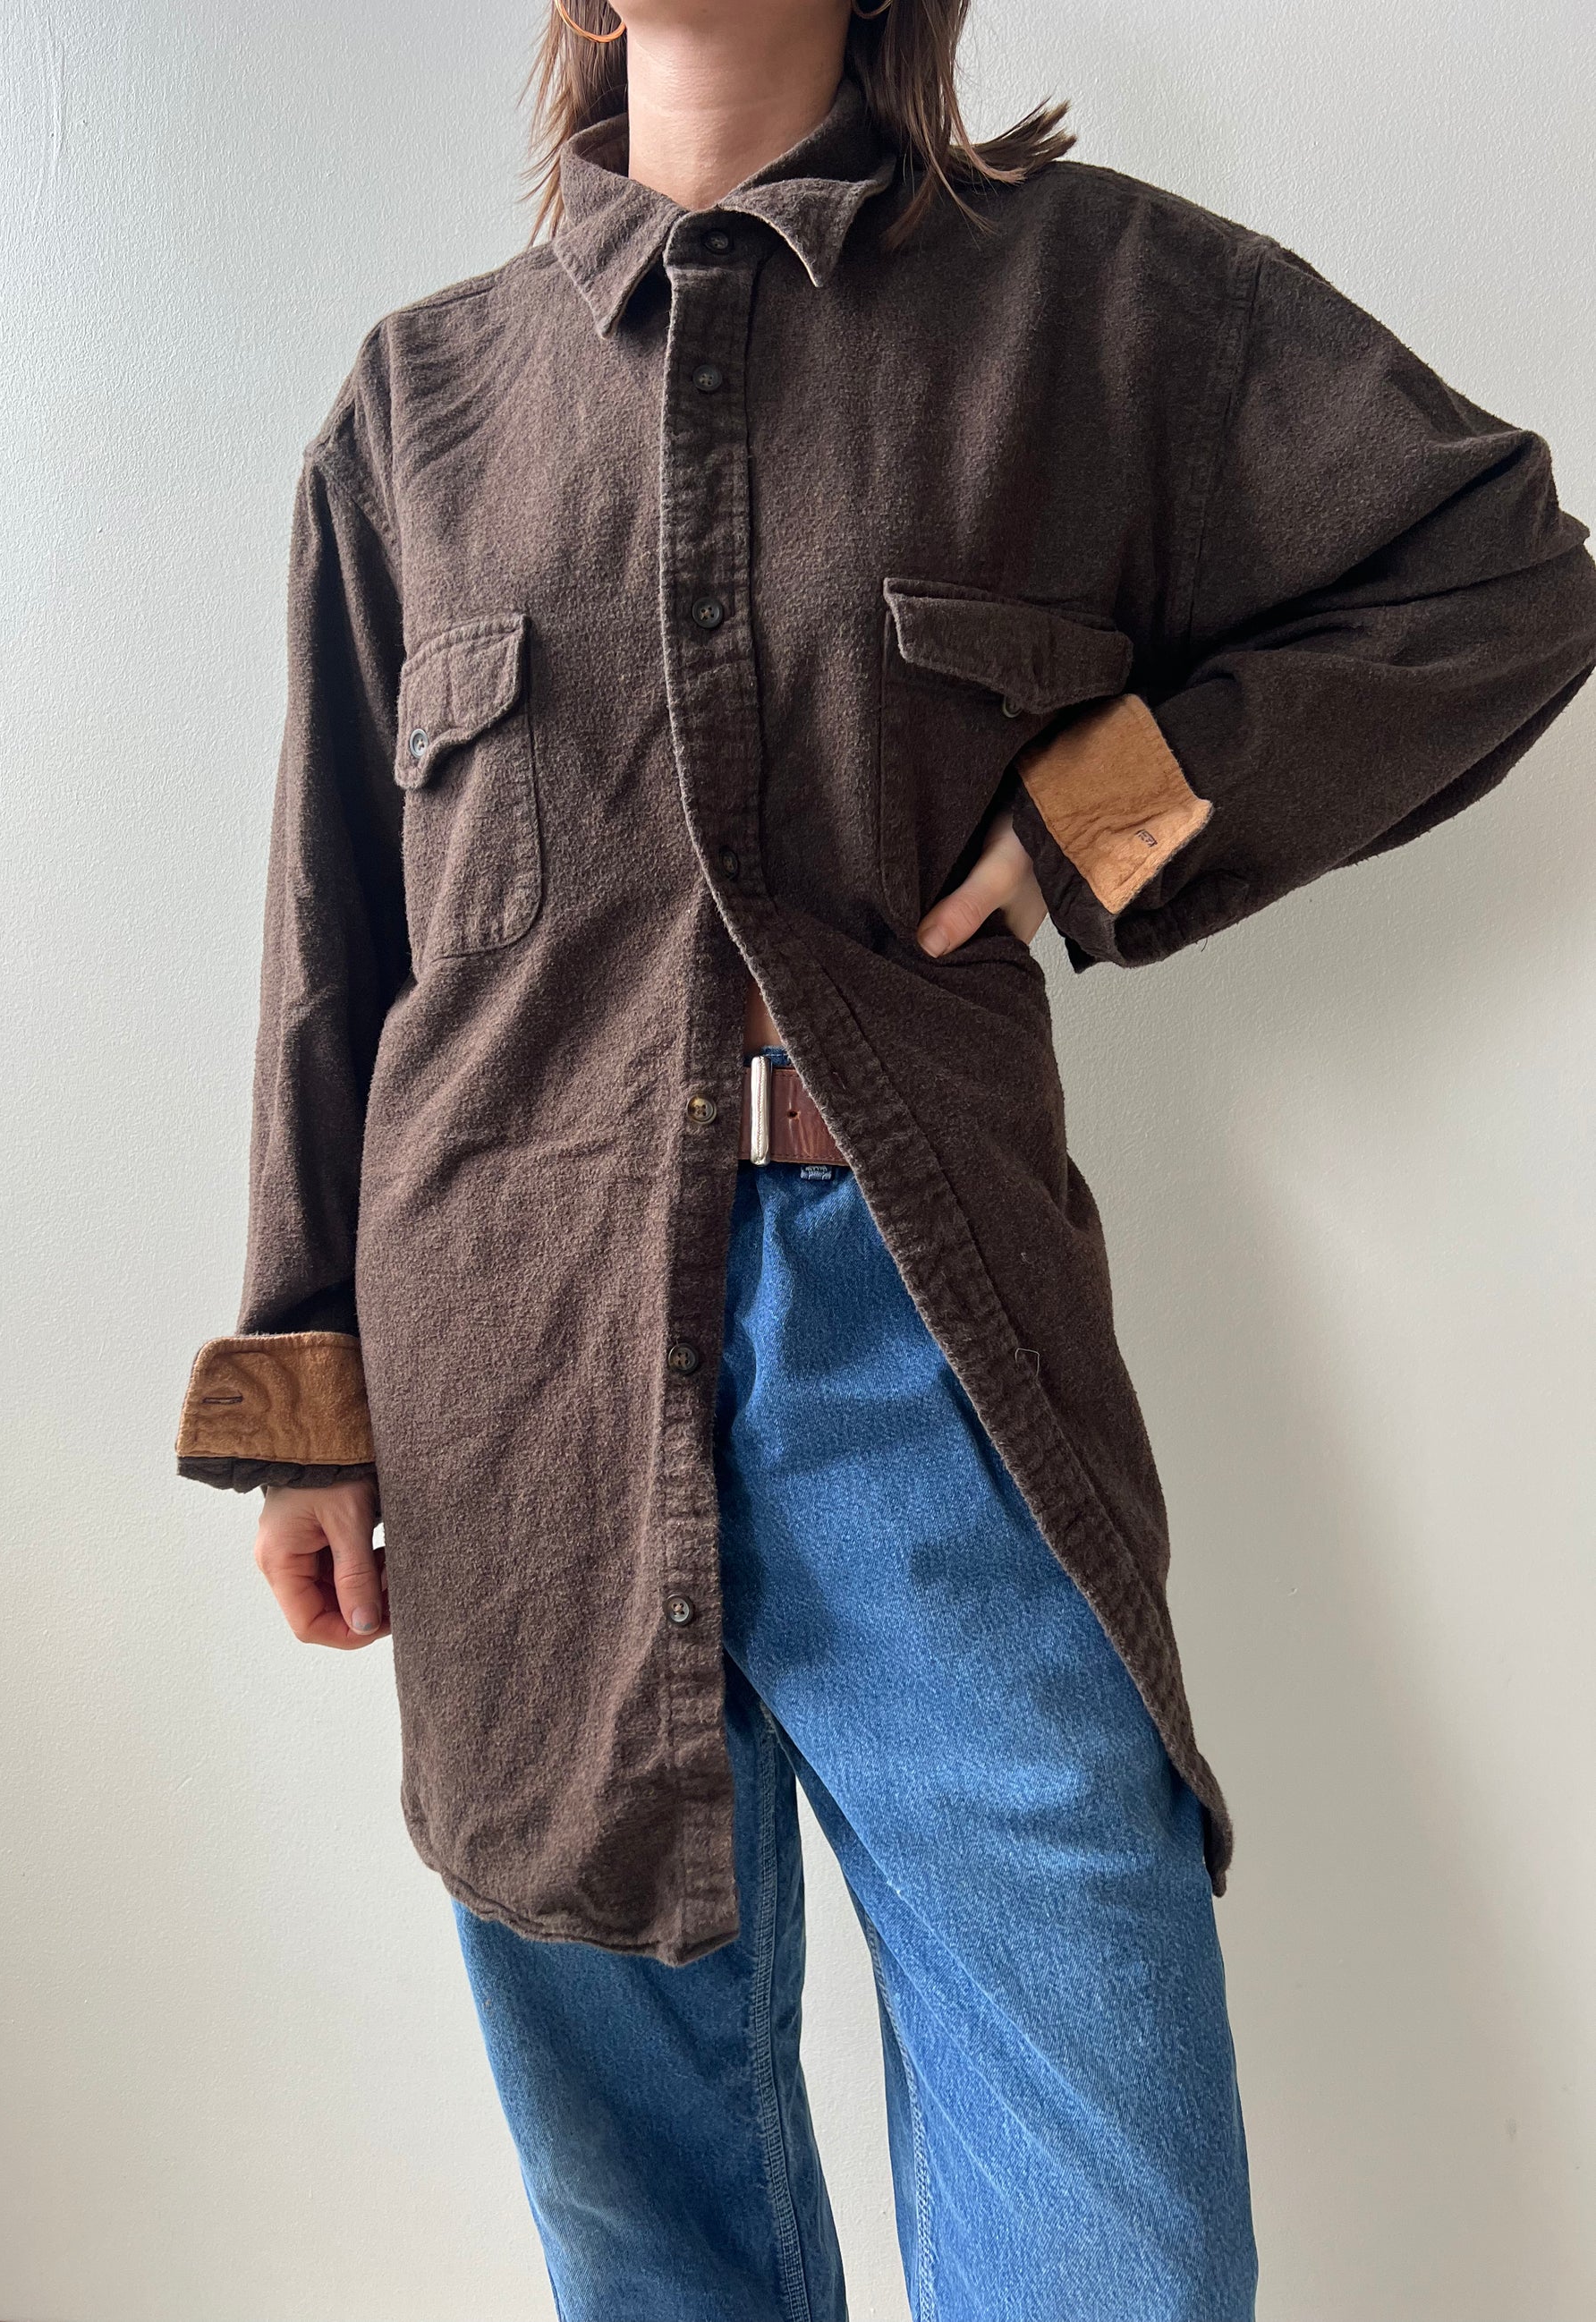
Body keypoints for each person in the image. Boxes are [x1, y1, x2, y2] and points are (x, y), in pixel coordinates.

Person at [174, 2, 1596, 2314]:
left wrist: (1098, 817)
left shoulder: (1087, 306)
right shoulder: (417, 407)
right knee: (646, 2212)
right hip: (511, 1369)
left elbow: (1499, 570)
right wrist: (303, 1402)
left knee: (1115, 2220)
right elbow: (336, 936)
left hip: (918, 1340)